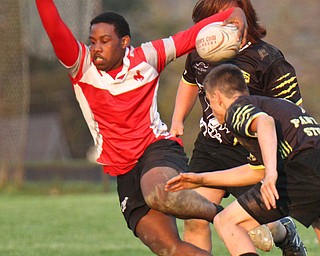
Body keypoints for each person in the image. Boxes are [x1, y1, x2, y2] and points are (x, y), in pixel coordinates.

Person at [35, 0, 248, 255]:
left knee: (159, 193)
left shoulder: (147, 56)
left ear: (124, 42)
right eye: (93, 42)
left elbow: (188, 38)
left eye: (105, 40)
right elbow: (55, 28)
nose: (96, 48)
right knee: (168, 247)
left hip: (156, 149)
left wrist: (232, 13)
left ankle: (226, 217)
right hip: (125, 170)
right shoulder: (82, 66)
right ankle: (229, 218)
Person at [169, 0, 307, 254]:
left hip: (251, 154)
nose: (220, 25)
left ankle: (284, 231)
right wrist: (177, 120)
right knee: (194, 218)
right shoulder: (201, 51)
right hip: (210, 148)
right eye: (212, 19)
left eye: (229, 18)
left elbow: (290, 115)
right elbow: (189, 81)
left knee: (259, 224)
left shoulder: (267, 59)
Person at [166, 63, 320, 255]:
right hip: (311, 167)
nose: (211, 110)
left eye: (210, 103)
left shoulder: (237, 109)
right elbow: (256, 171)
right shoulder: (276, 105)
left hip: (301, 168)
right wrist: (201, 179)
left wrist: (272, 174)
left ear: (218, 98)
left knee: (227, 221)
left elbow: (265, 123)